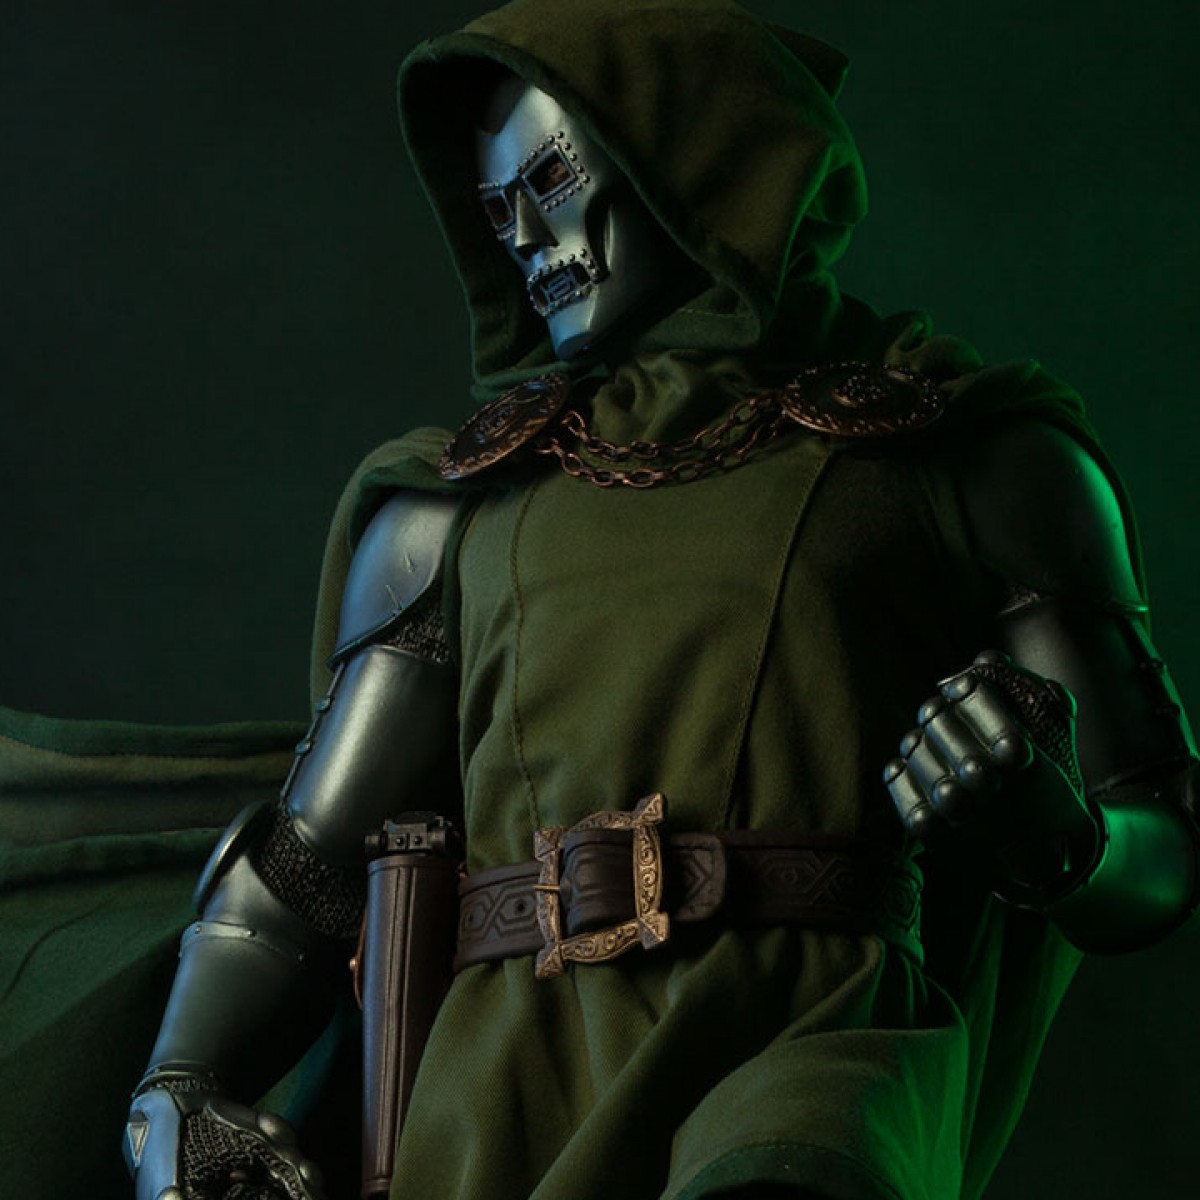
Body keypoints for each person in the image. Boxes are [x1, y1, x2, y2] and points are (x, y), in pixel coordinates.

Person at [123, 2, 1199, 1198]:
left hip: (807, 1051)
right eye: (496, 208)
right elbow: (306, 870)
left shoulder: (975, 461)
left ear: (693, 152)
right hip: (508, 1089)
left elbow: (1160, 844)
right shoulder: (449, 516)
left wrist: (1059, 835)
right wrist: (178, 1086)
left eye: (551, 178)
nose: (525, 238)